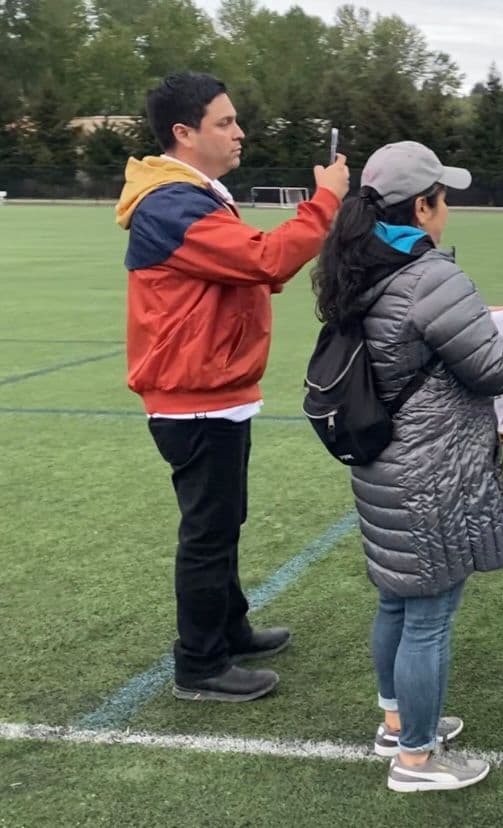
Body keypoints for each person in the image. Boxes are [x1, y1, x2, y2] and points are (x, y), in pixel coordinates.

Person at [315, 141, 503, 791]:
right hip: (429, 468)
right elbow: (492, 368)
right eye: (443, 198)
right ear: (423, 206)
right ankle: (417, 759)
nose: (447, 210)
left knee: (397, 602)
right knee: (429, 613)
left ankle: (396, 723)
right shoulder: (429, 274)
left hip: (385, 461)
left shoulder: (358, 261)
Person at [117, 72, 350, 703]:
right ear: (183, 134)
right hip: (192, 395)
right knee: (208, 530)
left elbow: (246, 269)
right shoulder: (172, 203)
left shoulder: (193, 195)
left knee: (224, 519)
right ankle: (200, 664)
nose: (239, 131)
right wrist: (325, 199)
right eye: (225, 122)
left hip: (213, 388)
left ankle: (229, 627)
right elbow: (264, 260)